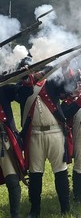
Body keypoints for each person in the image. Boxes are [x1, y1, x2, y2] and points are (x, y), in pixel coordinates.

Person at [19, 67, 76, 217]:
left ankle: (65, 207)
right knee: (35, 174)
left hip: (55, 132)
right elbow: (24, 93)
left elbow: (67, 88)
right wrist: (27, 78)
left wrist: (65, 68)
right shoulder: (23, 87)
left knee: (60, 170)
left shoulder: (51, 83)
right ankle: (35, 209)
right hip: (34, 134)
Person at [0, 82, 30, 218]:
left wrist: (25, 78)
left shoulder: (3, 87)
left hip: (3, 139)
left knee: (12, 180)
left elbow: (24, 93)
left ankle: (15, 215)